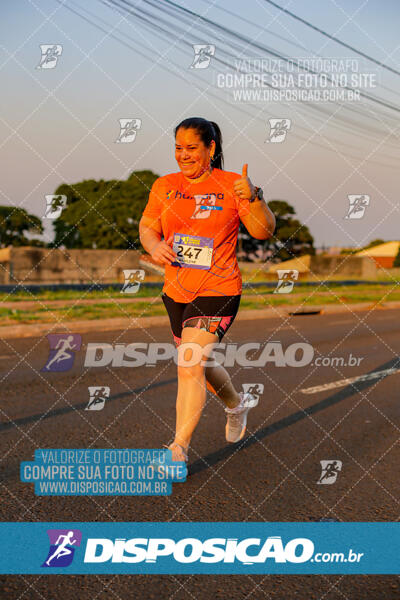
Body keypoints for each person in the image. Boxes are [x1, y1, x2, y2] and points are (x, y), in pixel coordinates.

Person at [139, 117, 275, 464]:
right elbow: (147, 226)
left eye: (192, 149)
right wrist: (154, 246)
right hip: (176, 290)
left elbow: (263, 231)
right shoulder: (164, 185)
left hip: (219, 287)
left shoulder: (233, 185)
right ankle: (236, 402)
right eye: (178, 148)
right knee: (201, 364)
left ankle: (178, 448)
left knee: (188, 364)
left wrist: (255, 197)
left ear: (211, 149)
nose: (183, 156)